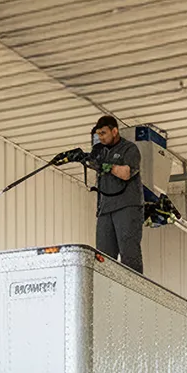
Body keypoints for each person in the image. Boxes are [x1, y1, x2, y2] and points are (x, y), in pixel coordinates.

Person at [56, 115, 144, 273]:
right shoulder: (100, 151)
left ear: (114, 131)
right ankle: (104, 284)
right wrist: (80, 158)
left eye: (104, 133)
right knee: (103, 256)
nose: (101, 137)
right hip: (105, 208)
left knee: (129, 252)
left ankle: (134, 285)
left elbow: (126, 173)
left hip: (126, 205)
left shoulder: (129, 149)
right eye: (98, 134)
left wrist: (106, 166)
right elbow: (93, 162)